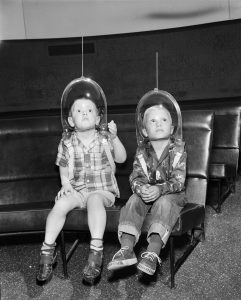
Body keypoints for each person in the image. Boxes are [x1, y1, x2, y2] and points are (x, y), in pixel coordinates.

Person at [36, 96, 127, 284]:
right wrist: (66, 183)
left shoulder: (104, 138)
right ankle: (47, 252)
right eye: (78, 110)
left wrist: (115, 138)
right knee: (60, 204)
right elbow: (63, 165)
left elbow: (121, 158)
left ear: (97, 119)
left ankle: (96, 251)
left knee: (94, 199)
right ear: (70, 121)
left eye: (89, 110)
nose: (84, 112)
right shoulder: (66, 142)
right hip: (78, 190)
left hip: (103, 190)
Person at [107, 103, 187, 276]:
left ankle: (153, 252)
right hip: (149, 193)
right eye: (153, 121)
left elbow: (179, 180)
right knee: (134, 200)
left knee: (164, 203)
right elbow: (135, 177)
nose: (159, 124)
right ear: (145, 131)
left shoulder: (178, 149)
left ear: (172, 129)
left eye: (163, 120)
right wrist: (141, 188)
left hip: (173, 194)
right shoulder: (142, 151)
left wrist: (159, 189)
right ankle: (127, 248)